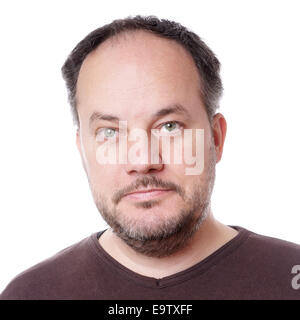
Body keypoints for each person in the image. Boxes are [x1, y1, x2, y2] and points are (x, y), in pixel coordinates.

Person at [1, 15, 300, 300]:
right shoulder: (29, 294)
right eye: (109, 132)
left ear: (216, 139)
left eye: (169, 126)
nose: (142, 161)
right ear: (83, 151)